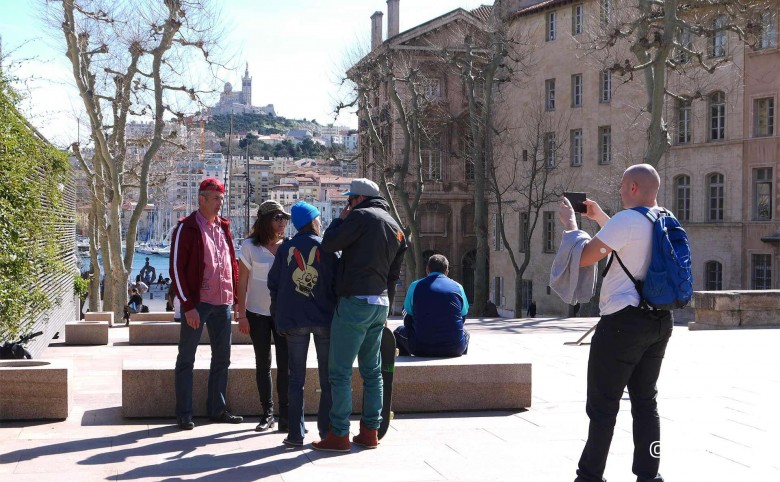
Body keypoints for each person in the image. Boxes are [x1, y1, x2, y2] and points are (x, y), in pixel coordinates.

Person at [557, 164, 673, 482]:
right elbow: (627, 247)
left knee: (603, 405)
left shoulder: (626, 221)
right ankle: (650, 474)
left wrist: (570, 226)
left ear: (634, 188)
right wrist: (598, 218)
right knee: (646, 400)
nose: (620, 191)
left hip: (622, 323)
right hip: (660, 320)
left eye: (623, 186)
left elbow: (585, 256)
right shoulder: (665, 218)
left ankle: (589, 475)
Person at [313, 178, 407, 452]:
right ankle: (370, 432)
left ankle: (339, 434)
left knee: (340, 371)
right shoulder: (394, 226)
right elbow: (393, 274)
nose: (347, 205)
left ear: (359, 199)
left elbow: (329, 244)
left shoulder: (361, 217)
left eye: (349, 200)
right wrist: (388, 305)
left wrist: (340, 220)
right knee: (373, 372)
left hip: (355, 300)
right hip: (380, 303)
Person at [170, 177, 243, 431]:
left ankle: (218, 409)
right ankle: (184, 413)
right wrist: (188, 305)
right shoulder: (186, 228)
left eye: (222, 199)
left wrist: (235, 299)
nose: (220, 204)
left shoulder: (223, 227)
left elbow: (231, 263)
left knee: (222, 359)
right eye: (215, 199)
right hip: (197, 304)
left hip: (222, 303)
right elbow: (177, 270)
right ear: (201, 199)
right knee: (186, 359)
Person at [268, 201, 339, 447]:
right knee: (327, 378)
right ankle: (326, 431)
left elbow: (273, 284)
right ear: (312, 221)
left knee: (295, 379)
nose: (320, 222)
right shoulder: (327, 248)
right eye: (318, 218)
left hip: (294, 320)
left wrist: (278, 315)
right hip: (324, 319)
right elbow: (337, 283)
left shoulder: (286, 249)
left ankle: (295, 434)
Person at [235, 200, 291, 432]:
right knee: (263, 363)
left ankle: (286, 414)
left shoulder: (289, 246)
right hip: (256, 313)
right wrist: (241, 314)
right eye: (277, 217)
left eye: (284, 218)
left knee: (286, 363)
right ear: (265, 220)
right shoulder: (249, 246)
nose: (282, 222)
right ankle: (267, 413)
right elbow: (242, 281)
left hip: (283, 313)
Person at [394, 254, 470, 358]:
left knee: (398, 332)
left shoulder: (415, 286)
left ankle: (406, 360)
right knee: (465, 334)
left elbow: (407, 315)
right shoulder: (458, 287)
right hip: (455, 348)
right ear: (447, 271)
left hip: (420, 347)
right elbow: (463, 316)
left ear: (427, 269)